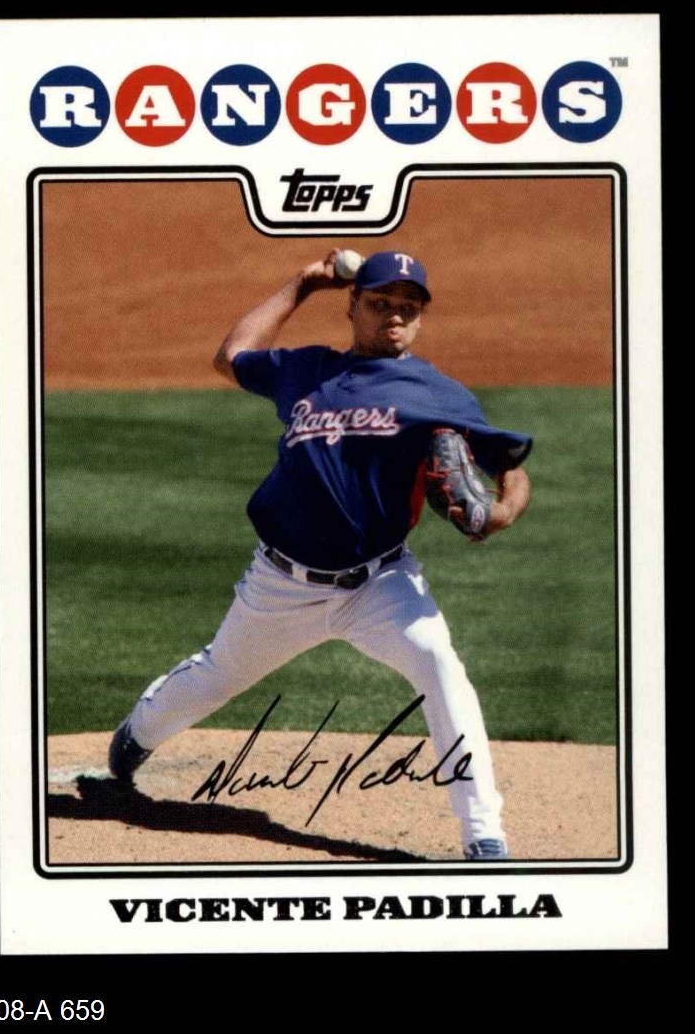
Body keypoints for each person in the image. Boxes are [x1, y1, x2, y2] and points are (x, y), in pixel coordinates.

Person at [108, 249, 533, 861]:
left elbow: (508, 462)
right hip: (280, 584)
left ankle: (483, 834)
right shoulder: (306, 370)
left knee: (440, 667)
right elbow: (230, 356)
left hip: (381, 584)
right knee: (216, 677)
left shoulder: (437, 392)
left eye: (408, 308)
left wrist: (505, 509)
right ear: (352, 306)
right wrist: (303, 284)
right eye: (380, 303)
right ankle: (135, 736)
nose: (395, 316)